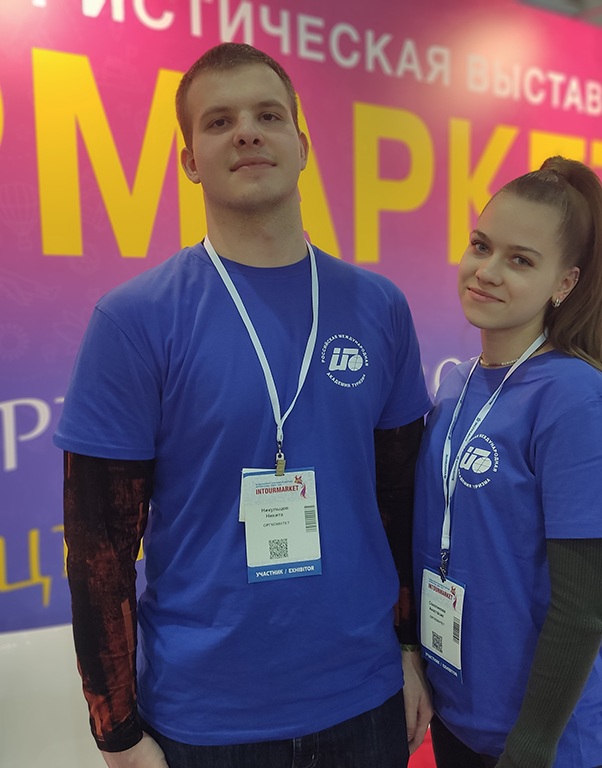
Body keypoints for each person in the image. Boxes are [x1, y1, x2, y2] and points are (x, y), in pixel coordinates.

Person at [53, 43, 433, 768]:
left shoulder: (379, 307)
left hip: (365, 697)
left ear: (302, 146)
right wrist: (118, 733)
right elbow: (99, 549)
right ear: (190, 160)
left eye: (268, 115)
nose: (247, 133)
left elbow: (401, 506)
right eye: (219, 121)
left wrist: (412, 649)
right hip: (205, 720)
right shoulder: (134, 320)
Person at [412, 157, 602, 768]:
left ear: (563, 284)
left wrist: (531, 747)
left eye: (520, 260)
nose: (487, 271)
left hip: (549, 746)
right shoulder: (457, 385)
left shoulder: (577, 403)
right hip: (461, 718)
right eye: (481, 246)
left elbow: (583, 610)